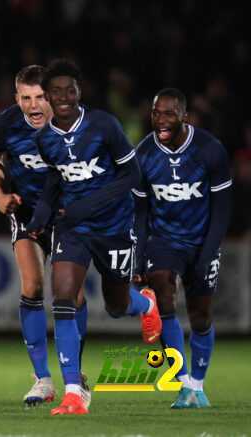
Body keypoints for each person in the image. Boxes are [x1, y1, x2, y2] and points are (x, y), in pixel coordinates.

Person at [26, 59, 162, 415]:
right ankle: (74, 391)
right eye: (55, 92)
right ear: (46, 97)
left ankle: (145, 304)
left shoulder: (104, 125)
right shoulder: (44, 139)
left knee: (116, 307)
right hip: (72, 229)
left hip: (115, 227)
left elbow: (131, 176)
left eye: (69, 90)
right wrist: (39, 218)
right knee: (63, 300)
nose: (63, 97)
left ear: (79, 92)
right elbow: (54, 181)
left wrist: (87, 205)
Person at [0, 65, 89, 407]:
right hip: (27, 214)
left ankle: (76, 372)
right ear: (17, 99)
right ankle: (43, 379)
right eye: (26, 98)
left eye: (40, 97)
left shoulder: (73, 124)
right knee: (32, 287)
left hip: (67, 216)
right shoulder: (4, 123)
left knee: (71, 295)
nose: (33, 105)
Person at [132, 88, 231, 409]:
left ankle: (198, 388)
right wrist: (138, 257)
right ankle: (184, 383)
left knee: (200, 316)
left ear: (184, 116)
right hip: (163, 241)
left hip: (202, 242)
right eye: (156, 112)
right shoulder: (143, 154)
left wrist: (208, 253)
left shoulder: (209, 149)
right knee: (163, 296)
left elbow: (222, 209)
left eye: (169, 114)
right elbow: (141, 212)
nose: (161, 120)